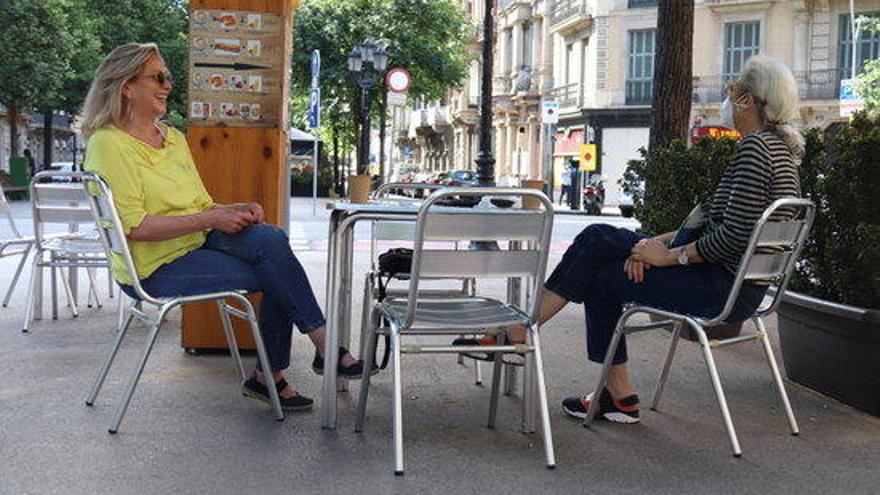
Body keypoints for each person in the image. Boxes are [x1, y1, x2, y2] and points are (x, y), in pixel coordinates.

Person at [461, 55, 804, 424]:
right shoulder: (780, 150)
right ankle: (608, 390)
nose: (728, 99)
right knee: (597, 240)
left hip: (721, 287)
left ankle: (537, 340)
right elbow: (714, 223)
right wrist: (649, 247)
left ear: (748, 100)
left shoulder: (756, 149)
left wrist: (668, 258)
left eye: (732, 90)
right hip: (737, 284)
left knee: (600, 274)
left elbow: (734, 236)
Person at [80, 43, 364, 413]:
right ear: (127, 86)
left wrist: (232, 210)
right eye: (159, 77)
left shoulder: (173, 138)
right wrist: (213, 219)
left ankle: (295, 363)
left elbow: (200, 206)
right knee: (273, 269)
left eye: (169, 77)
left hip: (195, 240)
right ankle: (298, 362)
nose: (168, 85)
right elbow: (136, 228)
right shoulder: (108, 144)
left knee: (271, 239)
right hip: (152, 266)